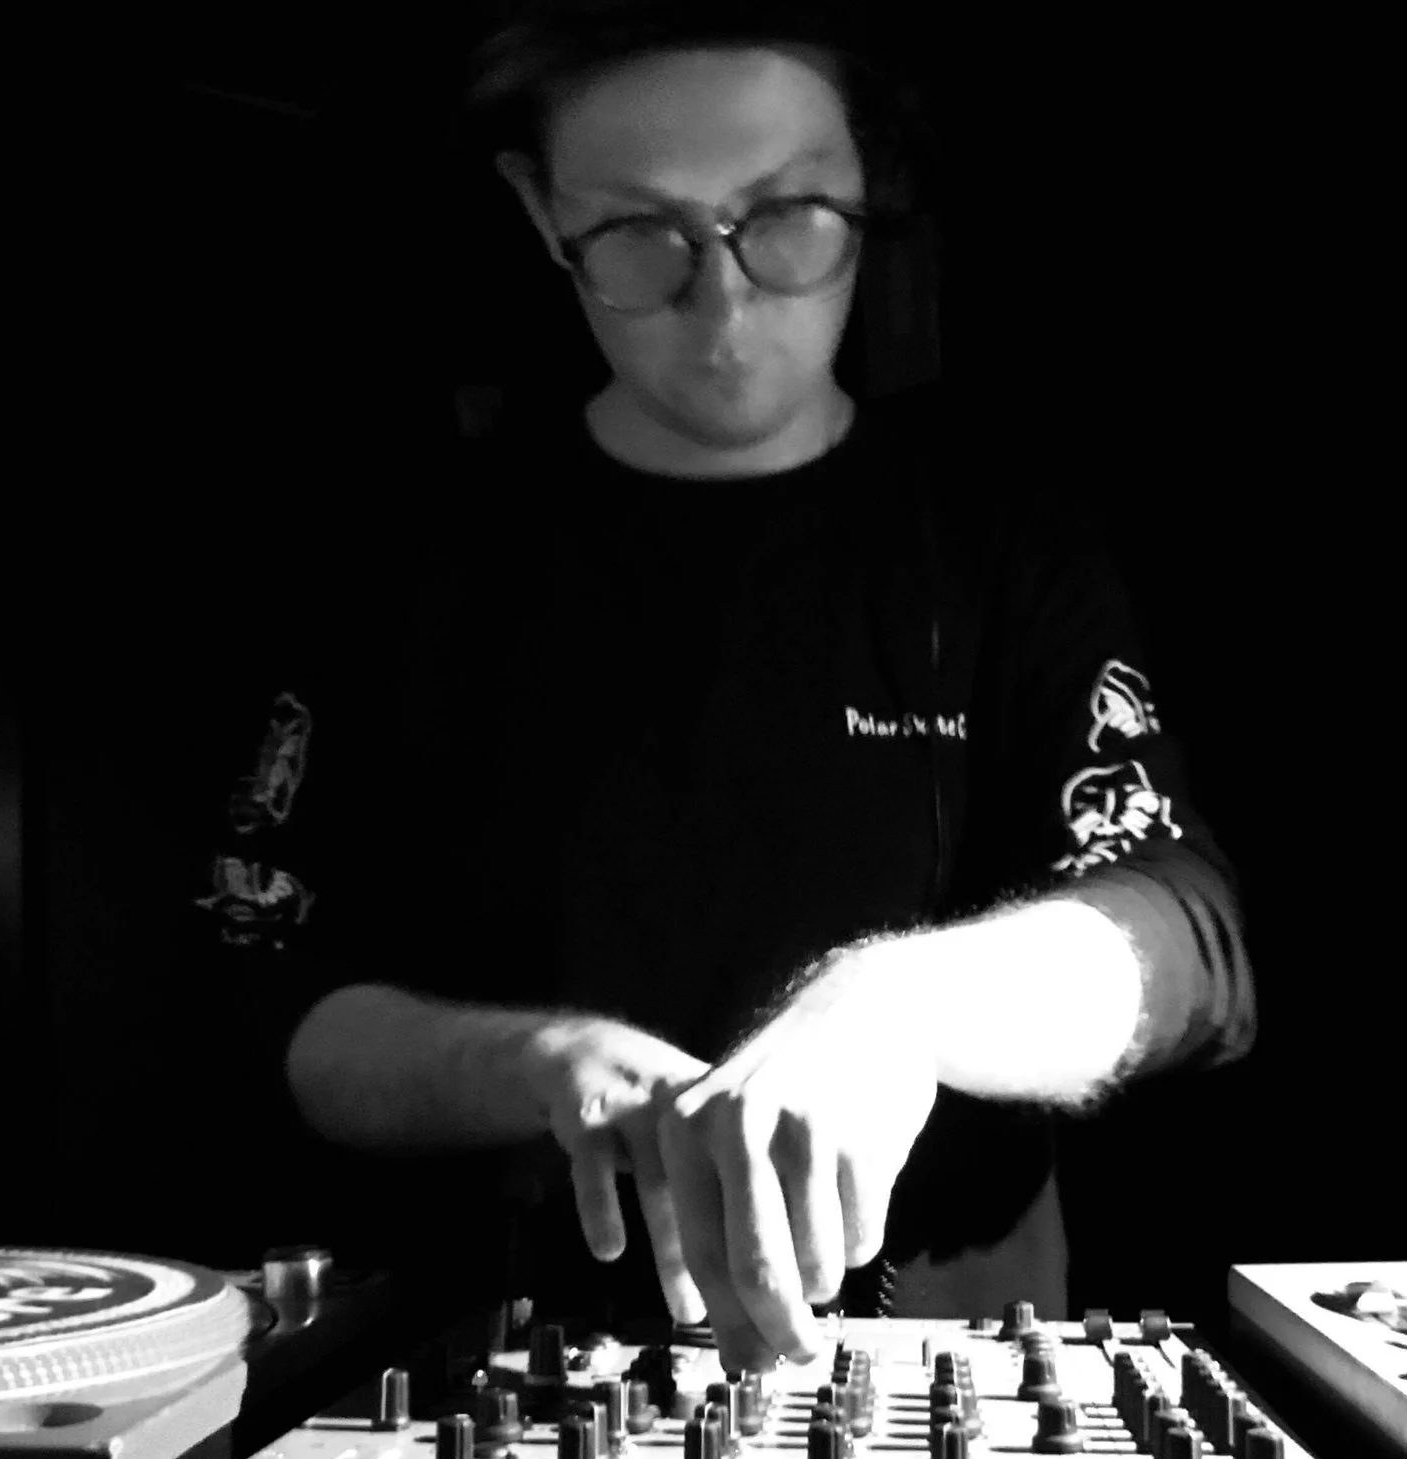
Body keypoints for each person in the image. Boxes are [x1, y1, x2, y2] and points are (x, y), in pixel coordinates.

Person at [203, 0, 1254, 1377]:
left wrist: (894, 1006)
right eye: (643, 236)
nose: (726, 304)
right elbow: (264, 977)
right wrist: (536, 1062)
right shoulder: (410, 553)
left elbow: (1181, 936)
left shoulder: (1001, 541)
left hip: (938, 1365)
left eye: (787, 214)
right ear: (538, 211)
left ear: (868, 178)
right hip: (499, 1361)